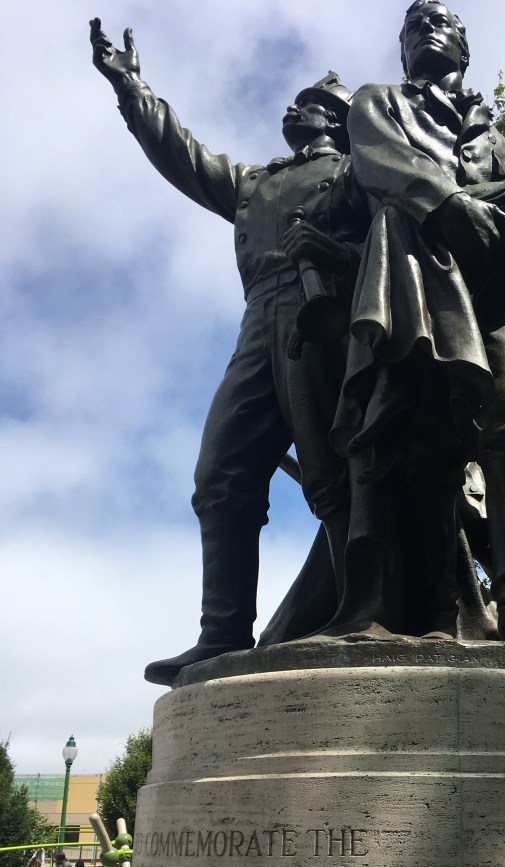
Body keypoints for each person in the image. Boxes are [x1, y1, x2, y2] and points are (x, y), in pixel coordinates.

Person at [89, 19, 370, 684]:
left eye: (304, 101)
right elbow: (184, 156)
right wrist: (134, 89)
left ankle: (362, 608)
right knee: (221, 472)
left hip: (324, 314)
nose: (289, 108)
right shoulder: (253, 181)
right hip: (258, 321)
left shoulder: (362, 172)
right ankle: (221, 636)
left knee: (333, 477)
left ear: (331, 118)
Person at [331, 1, 505, 644]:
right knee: (422, 446)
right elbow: (382, 166)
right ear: (403, 52)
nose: (425, 31)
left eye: (442, 23)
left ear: (464, 48)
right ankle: (436, 608)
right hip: (419, 278)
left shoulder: (497, 140)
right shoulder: (377, 102)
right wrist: (450, 202)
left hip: (494, 291)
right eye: (412, 28)